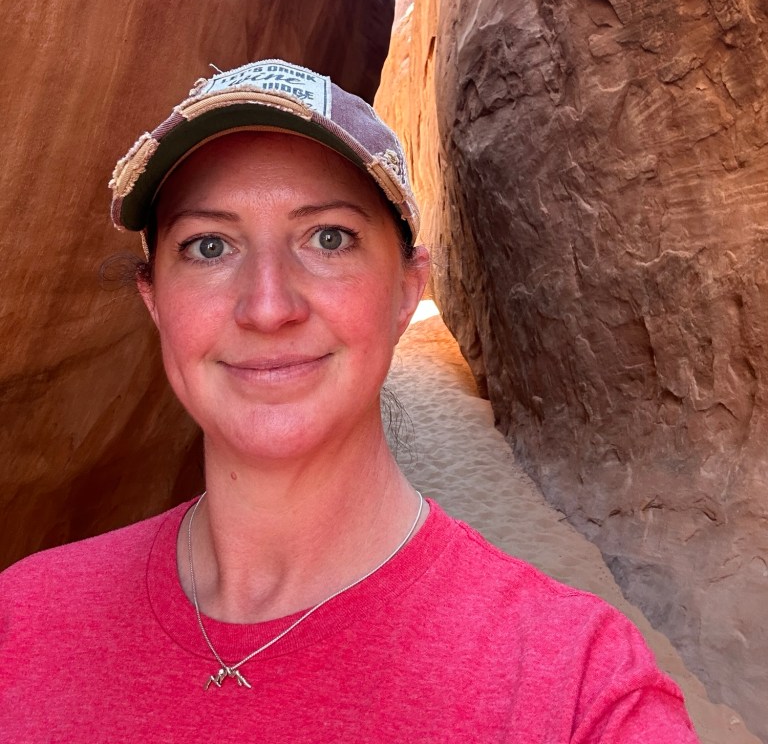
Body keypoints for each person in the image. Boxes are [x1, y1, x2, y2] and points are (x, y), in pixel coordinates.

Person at [0, 59, 700, 743]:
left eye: (328, 238)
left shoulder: (576, 688)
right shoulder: (22, 622)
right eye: (209, 246)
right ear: (154, 301)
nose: (267, 306)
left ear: (406, 290)